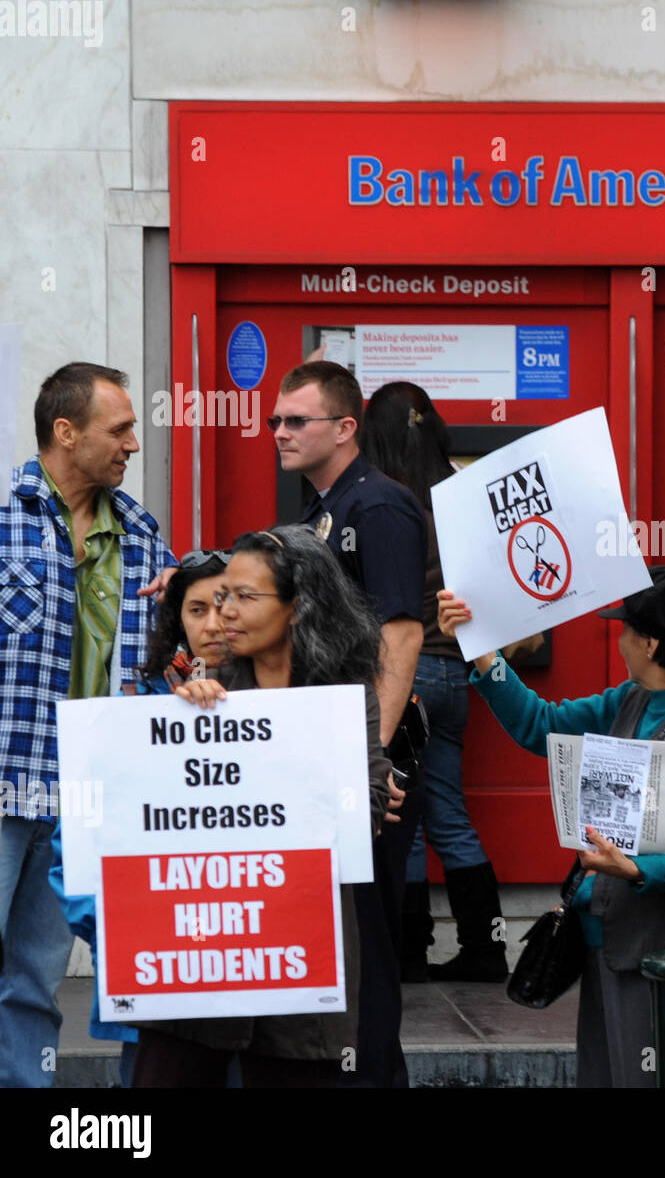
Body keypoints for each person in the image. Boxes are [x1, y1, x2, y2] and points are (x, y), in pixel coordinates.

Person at [438, 567, 665, 1087]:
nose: (620, 637)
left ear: (650, 645)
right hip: (606, 944)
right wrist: (485, 653)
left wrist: (635, 868)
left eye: (626, 629)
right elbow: (541, 726)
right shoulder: (631, 700)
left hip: (663, 958)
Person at [129, 526, 394, 1087]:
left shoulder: (344, 697)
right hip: (201, 954)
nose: (225, 612)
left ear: (298, 608)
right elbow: (155, 815)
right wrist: (189, 723)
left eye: (245, 598)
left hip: (298, 952)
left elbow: (366, 812)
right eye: (223, 596)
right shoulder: (203, 687)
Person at [0, 362, 174, 1088]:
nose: (135, 443)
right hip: (10, 778)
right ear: (65, 434)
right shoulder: (4, 511)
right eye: (121, 428)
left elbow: (175, 651)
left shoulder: (139, 530)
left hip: (94, 789)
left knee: (35, 975)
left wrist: (192, 604)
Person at [271, 360, 426, 1085]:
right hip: (326, 763)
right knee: (333, 951)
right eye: (276, 419)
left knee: (363, 956)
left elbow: (401, 635)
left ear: (344, 427)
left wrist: (374, 760)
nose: (279, 432)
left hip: (365, 768)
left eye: (295, 420)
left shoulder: (380, 506)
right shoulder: (318, 511)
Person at [48, 549, 232, 1087]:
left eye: (229, 604)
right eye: (197, 609)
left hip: (259, 995)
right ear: (177, 620)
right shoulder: (127, 718)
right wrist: (119, 933)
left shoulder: (288, 708)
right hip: (155, 991)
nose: (214, 623)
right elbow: (71, 856)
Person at [361, 381, 508, 982]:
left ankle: (407, 953)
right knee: (447, 810)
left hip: (408, 672)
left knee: (402, 814)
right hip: (457, 671)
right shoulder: (463, 494)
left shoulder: (383, 501)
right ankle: (485, 947)